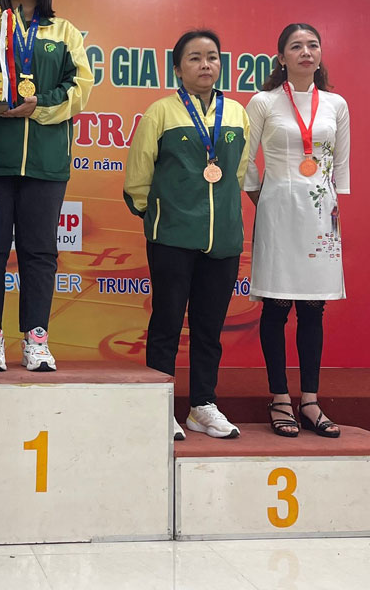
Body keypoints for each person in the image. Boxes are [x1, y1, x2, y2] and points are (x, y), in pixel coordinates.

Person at [0, 0, 93, 372]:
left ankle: (36, 339)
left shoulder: (64, 31)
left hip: (46, 160)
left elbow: (80, 88)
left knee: (40, 252)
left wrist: (40, 104)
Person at [124, 30, 251, 441]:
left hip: (223, 239)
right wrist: (158, 217)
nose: (205, 64)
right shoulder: (160, 112)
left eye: (212, 57)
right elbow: (138, 176)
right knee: (166, 323)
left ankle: (202, 406)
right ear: (178, 69)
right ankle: (159, 408)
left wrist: (222, 214)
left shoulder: (237, 114)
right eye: (194, 58)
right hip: (173, 237)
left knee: (209, 328)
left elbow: (237, 172)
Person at [243, 23, 350, 438]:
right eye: (296, 46)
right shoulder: (263, 102)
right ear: (281, 57)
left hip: (321, 214)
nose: (306, 51)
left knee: (313, 309)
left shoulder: (336, 104)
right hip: (277, 211)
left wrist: (330, 204)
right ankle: (279, 398)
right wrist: (265, 199)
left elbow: (340, 166)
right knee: (276, 307)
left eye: (313, 45)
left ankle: (309, 400)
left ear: (320, 54)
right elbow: (246, 161)